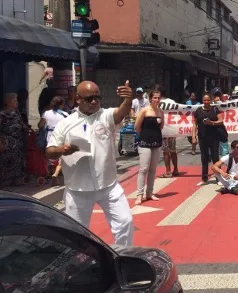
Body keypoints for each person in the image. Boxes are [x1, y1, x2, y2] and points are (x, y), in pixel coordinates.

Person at [45, 80, 134, 246]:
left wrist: (127, 99)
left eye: (97, 98)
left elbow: (120, 114)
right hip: (78, 190)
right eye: (89, 98)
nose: (94, 102)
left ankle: (124, 257)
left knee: (125, 222)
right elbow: (49, 150)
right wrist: (62, 150)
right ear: (78, 99)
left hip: (108, 186)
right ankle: (79, 266)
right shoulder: (65, 123)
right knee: (77, 234)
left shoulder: (105, 116)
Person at [134, 90, 164, 205]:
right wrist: (145, 135)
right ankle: (139, 195)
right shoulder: (144, 110)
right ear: (150, 99)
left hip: (157, 143)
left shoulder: (160, 111)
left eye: (158, 98)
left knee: (153, 169)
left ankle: (150, 193)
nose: (157, 100)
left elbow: (161, 126)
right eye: (155, 98)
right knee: (143, 169)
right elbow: (137, 126)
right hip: (144, 143)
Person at [192, 92, 224, 185]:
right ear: (202, 101)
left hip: (214, 137)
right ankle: (204, 178)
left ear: (211, 100)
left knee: (215, 158)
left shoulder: (215, 109)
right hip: (202, 137)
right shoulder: (198, 111)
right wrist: (193, 136)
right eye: (205, 100)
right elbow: (194, 124)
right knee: (204, 158)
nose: (206, 102)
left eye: (208, 100)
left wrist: (212, 123)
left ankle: (219, 178)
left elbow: (221, 121)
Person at [38, 96, 69, 182]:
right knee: (61, 156)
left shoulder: (46, 113)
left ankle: (50, 173)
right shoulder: (65, 115)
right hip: (61, 136)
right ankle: (55, 174)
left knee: (50, 155)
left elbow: (40, 125)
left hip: (49, 136)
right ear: (61, 104)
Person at [0, 92, 28, 187]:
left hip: (17, 144)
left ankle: (16, 181)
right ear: (9, 102)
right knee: (5, 164)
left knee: (17, 164)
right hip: (6, 144)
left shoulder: (16, 113)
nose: (16, 102)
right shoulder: (2, 114)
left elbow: (21, 125)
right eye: (15, 100)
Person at [157, 85, 179, 178]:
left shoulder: (158, 103)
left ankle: (168, 171)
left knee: (165, 151)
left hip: (164, 130)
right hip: (172, 129)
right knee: (173, 150)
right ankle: (176, 170)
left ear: (160, 93)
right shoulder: (172, 102)